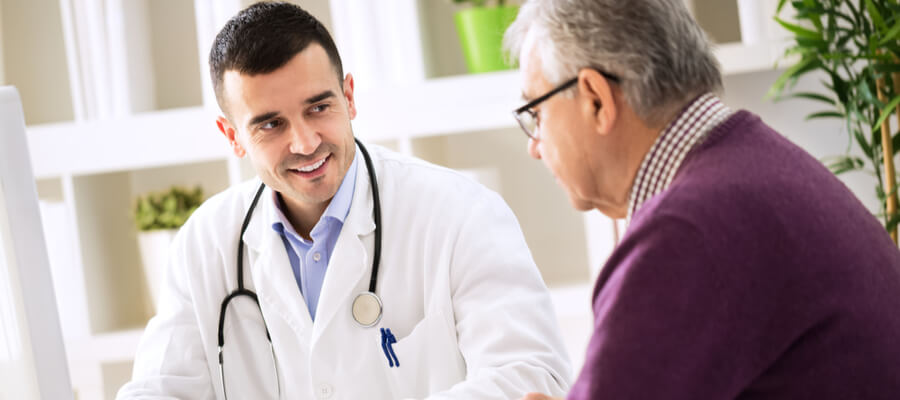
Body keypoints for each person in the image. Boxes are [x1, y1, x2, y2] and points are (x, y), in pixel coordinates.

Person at [117, 2, 572, 399]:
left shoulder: (460, 213)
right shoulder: (206, 242)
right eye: (271, 125)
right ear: (233, 137)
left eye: (319, 107)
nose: (305, 141)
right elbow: (159, 389)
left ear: (349, 97)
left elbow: (529, 377)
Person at [503, 0, 900, 399]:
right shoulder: (759, 170)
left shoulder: (684, 233)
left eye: (536, 114)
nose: (534, 147)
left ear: (596, 99)